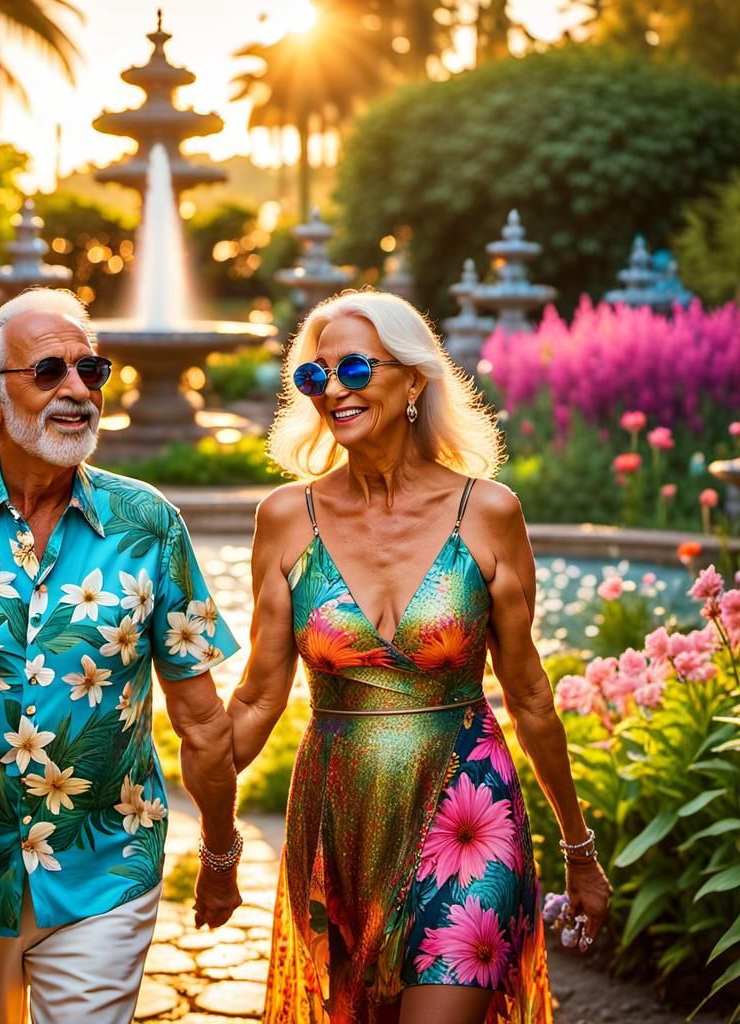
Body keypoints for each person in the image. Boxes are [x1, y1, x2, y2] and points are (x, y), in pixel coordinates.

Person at [0, 288, 243, 1024]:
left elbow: (202, 721)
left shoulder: (149, 525)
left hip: (107, 866)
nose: (78, 390)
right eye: (50, 370)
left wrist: (221, 854)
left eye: (92, 370)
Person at [226, 290, 612, 1024]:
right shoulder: (284, 518)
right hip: (343, 816)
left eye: (353, 368)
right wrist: (198, 774)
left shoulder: (488, 511)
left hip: (469, 806)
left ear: (412, 380)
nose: (332, 389)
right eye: (314, 376)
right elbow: (255, 698)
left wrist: (579, 847)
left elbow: (530, 696)